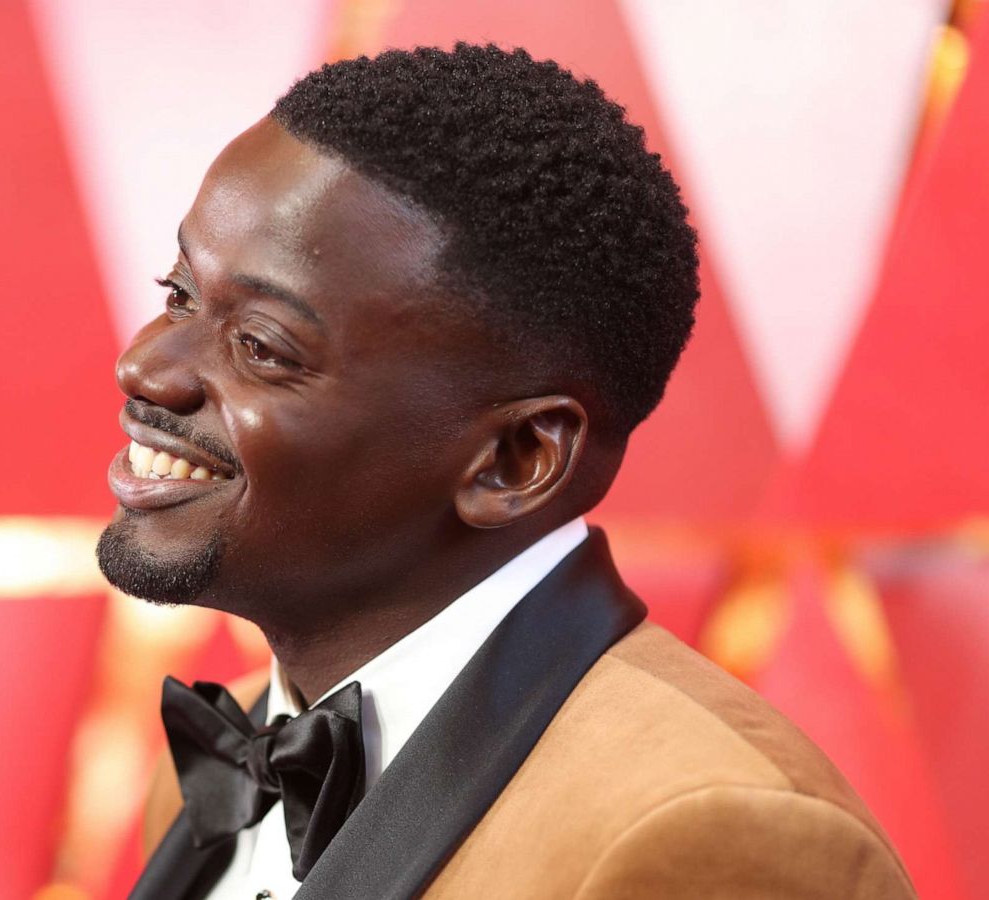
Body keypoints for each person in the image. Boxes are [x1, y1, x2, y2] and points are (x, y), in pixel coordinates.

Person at [95, 43, 914, 900]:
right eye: (179, 293)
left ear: (515, 461)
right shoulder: (212, 770)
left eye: (261, 346)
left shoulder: (721, 832)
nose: (145, 369)